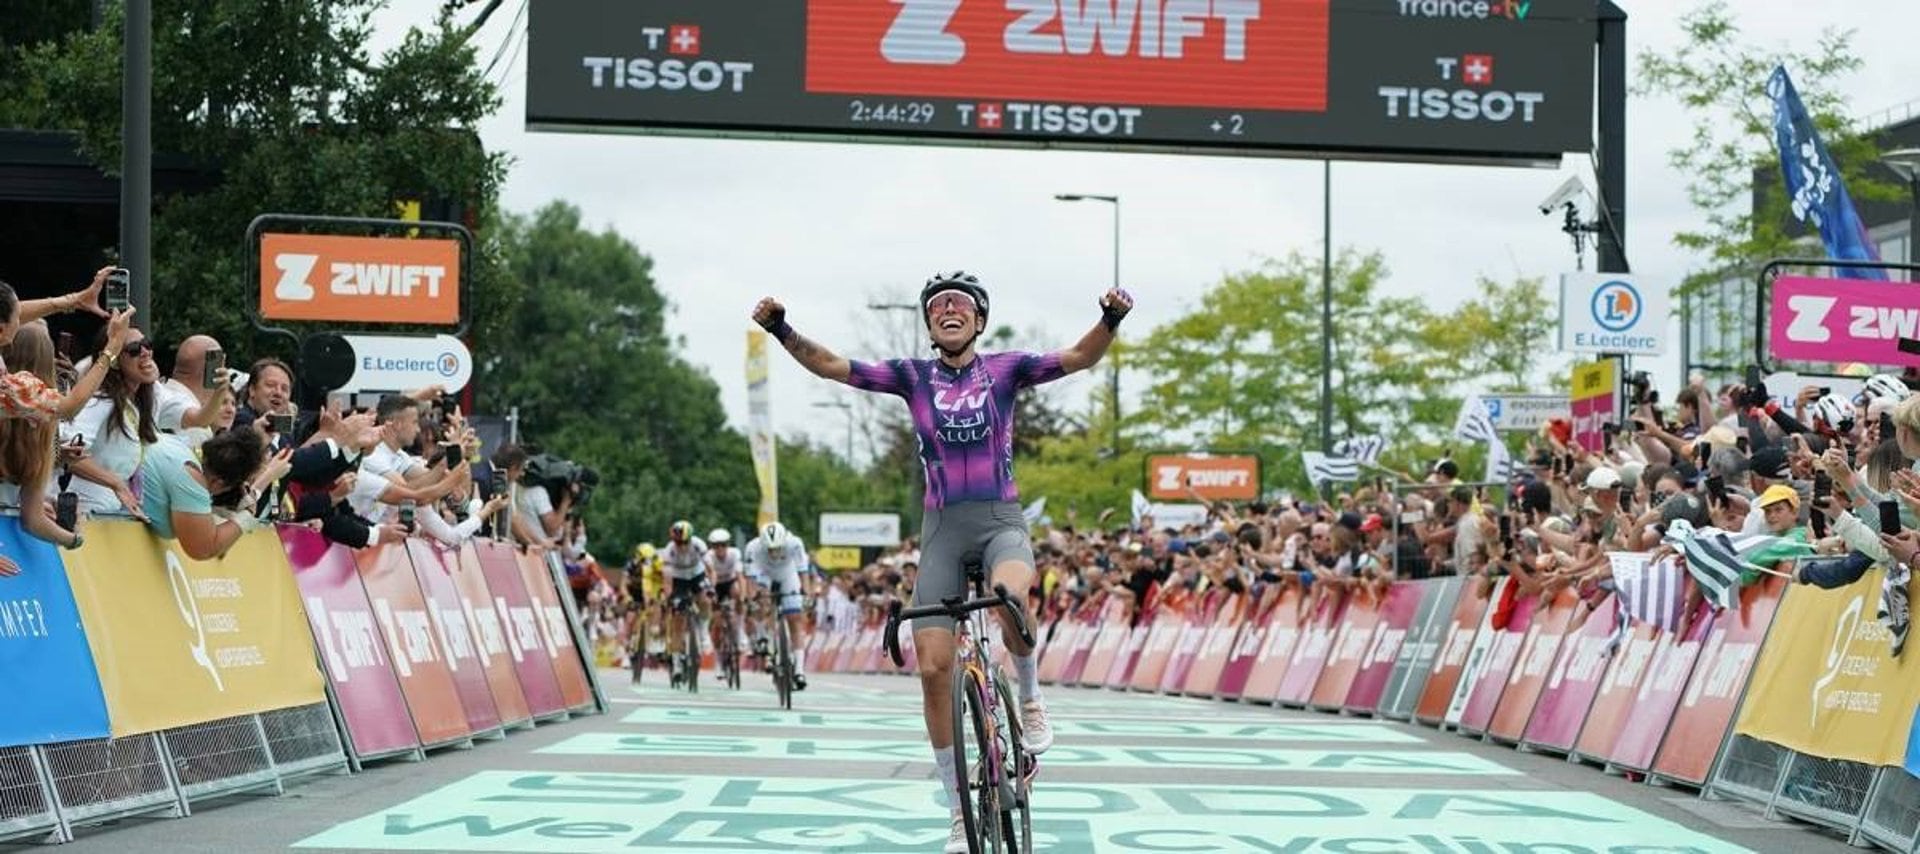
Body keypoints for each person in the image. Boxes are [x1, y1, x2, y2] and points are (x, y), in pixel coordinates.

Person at [754, 270, 1130, 851]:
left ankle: (1030, 697)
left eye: (960, 304)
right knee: (933, 670)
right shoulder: (912, 377)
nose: (949, 310)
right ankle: (958, 812)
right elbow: (832, 366)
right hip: (942, 532)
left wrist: (1110, 319)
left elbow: (1080, 357)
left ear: (979, 320)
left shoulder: (1007, 369)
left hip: (1000, 521)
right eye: (938, 306)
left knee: (1009, 597)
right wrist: (783, 329)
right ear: (930, 323)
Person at [743, 521, 811, 690]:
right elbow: (750, 579)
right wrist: (752, 601)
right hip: (764, 574)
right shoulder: (753, 547)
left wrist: (807, 594)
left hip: (788, 575)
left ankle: (799, 670)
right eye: (770, 549)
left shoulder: (795, 543)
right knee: (762, 602)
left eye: (777, 548)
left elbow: (803, 572)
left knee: (795, 619)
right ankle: (762, 636)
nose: (773, 552)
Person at [660, 520, 709, 679]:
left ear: (690, 539)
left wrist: (712, 587)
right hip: (679, 579)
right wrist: (669, 597)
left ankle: (703, 630)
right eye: (678, 543)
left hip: (696, 574)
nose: (681, 546)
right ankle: (676, 662)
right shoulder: (669, 551)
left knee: (705, 599)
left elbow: (710, 568)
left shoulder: (698, 545)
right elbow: (667, 580)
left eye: (684, 542)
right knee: (678, 621)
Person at [704, 527, 746, 655]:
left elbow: (740, 577)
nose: (720, 548)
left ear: (728, 545)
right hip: (715, 584)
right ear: (712, 546)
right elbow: (710, 575)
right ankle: (718, 658)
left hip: (730, 582)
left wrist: (743, 598)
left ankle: (740, 631)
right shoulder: (708, 557)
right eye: (716, 546)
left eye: (723, 545)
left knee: (738, 592)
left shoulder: (735, 553)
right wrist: (711, 593)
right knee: (717, 622)